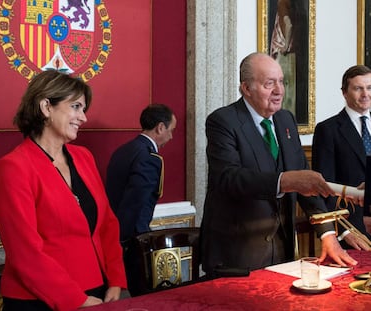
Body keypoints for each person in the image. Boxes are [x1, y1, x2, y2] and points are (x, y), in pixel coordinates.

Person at [200, 52, 357, 275]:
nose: (279, 90)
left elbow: (306, 182)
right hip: (236, 256)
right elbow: (228, 178)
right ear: (246, 88)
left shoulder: (285, 119)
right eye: (269, 83)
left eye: (282, 82)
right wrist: (285, 181)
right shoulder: (223, 121)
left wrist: (327, 234)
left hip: (282, 255)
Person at [0, 70, 126, 311]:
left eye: (84, 109)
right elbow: (25, 253)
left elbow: (107, 223)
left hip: (98, 290)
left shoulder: (84, 157)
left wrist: (115, 281)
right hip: (38, 299)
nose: (83, 118)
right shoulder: (12, 167)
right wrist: (77, 299)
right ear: (46, 107)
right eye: (75, 106)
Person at [105, 103, 176, 296]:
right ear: (160, 127)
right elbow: (138, 205)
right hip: (131, 239)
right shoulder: (148, 157)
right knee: (139, 293)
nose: (171, 137)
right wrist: (140, 241)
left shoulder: (124, 150)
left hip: (113, 233)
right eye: (171, 131)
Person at [312, 65, 371, 251]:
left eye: (369, 88)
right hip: (353, 229)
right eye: (358, 88)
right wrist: (343, 231)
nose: (365, 94)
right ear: (344, 92)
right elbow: (325, 186)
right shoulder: (327, 130)